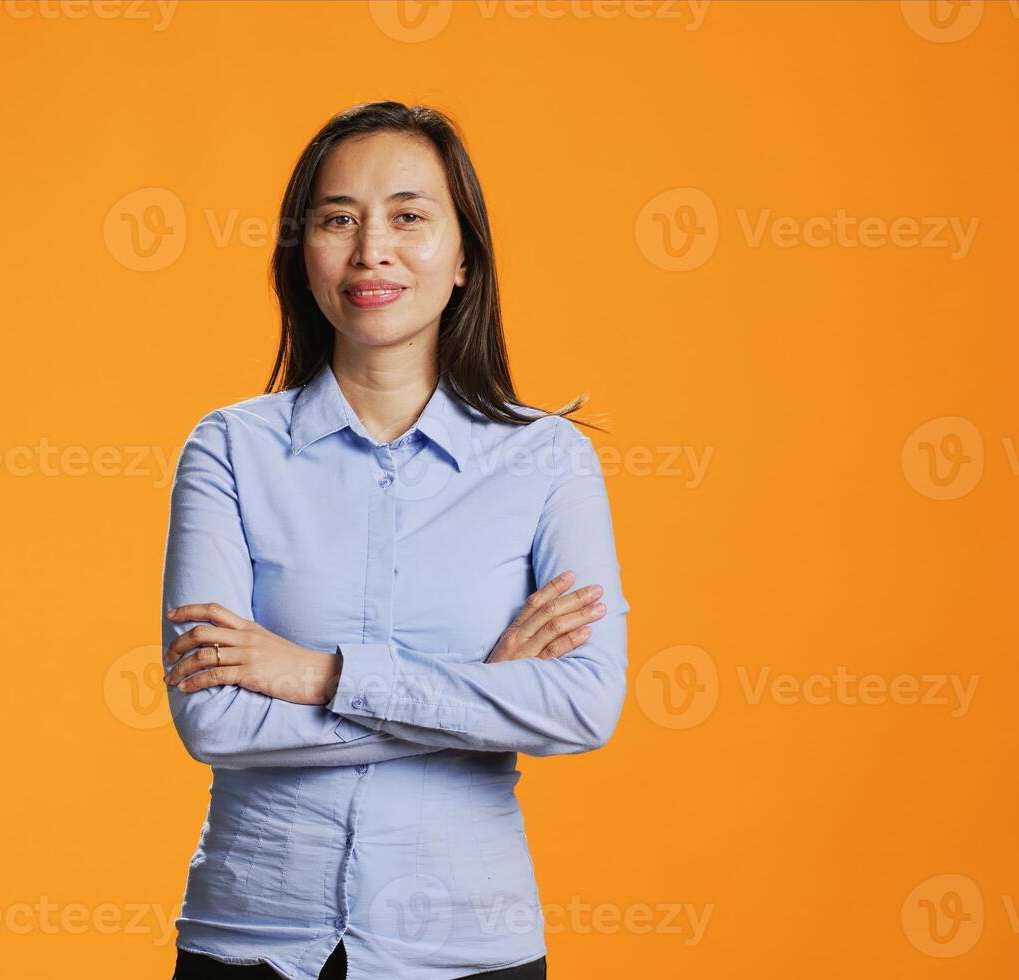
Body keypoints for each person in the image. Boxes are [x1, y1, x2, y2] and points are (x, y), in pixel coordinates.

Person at [160, 100, 630, 980]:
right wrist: (482, 698)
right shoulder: (228, 449)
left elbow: (581, 707)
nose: (370, 249)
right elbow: (215, 718)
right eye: (338, 219)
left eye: (409, 217)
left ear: (463, 258)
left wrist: (318, 675)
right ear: (302, 257)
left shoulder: (545, 460)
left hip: (468, 944)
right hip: (253, 943)